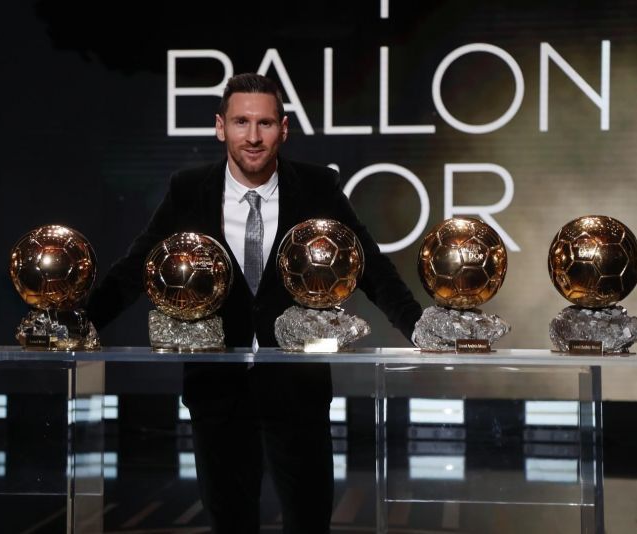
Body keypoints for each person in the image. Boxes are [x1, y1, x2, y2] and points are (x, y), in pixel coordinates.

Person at [86, 73, 423, 534]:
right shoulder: (189, 189)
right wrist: (82, 323)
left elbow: (371, 267)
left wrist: (419, 327)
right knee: (230, 524)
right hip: (217, 392)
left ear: (283, 129)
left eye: (264, 123)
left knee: (309, 523)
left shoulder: (316, 187)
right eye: (241, 122)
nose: (253, 136)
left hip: (297, 391)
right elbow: (137, 267)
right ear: (220, 126)